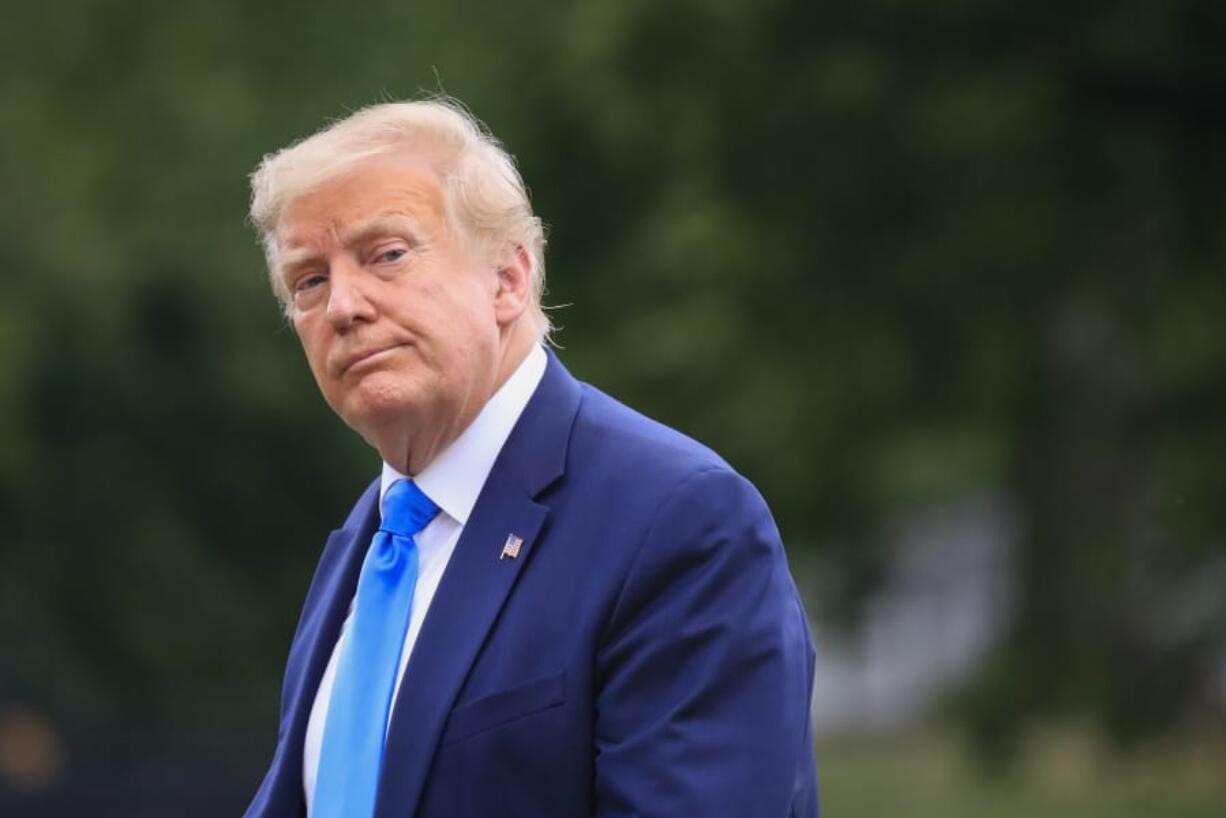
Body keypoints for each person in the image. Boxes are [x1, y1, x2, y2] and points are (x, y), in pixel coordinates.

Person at [243, 98, 819, 818]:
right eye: (309, 281)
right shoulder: (376, 539)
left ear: (508, 280)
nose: (343, 307)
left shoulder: (679, 521)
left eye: (386, 254)